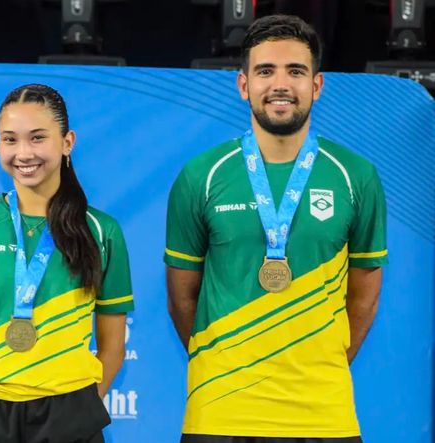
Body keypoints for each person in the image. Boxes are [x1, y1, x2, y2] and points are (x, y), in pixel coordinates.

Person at [165, 14, 387, 443]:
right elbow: (181, 298)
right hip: (220, 412)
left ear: (316, 86)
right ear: (243, 85)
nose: (280, 84)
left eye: (296, 71)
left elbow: (365, 294)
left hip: (324, 415)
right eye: (265, 71)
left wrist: (321, 364)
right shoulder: (201, 175)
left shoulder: (355, 176)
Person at [0, 84, 134, 443]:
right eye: (10, 140)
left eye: (37, 138)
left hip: (68, 413)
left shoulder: (102, 230)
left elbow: (113, 346)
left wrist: (77, 411)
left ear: (67, 142)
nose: (23, 153)